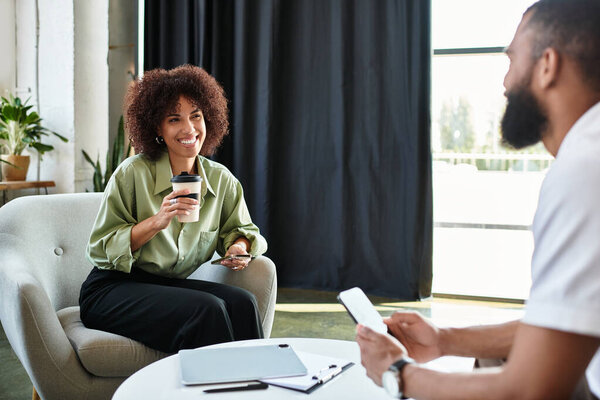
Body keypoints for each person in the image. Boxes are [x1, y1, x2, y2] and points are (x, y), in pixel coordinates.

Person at [356, 0, 600, 398]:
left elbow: (531, 390)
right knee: (492, 359)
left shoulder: (585, 169)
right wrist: (444, 339)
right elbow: (564, 323)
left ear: (547, 65)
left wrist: (397, 373)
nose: (504, 83)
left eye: (511, 59)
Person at [79, 65, 268, 354]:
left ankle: (256, 386)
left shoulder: (221, 180)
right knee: (207, 310)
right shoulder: (132, 174)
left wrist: (238, 249)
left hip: (166, 288)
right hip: (111, 290)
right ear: (157, 127)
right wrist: (157, 221)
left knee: (242, 303)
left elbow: (240, 231)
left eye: (196, 116)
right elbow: (100, 250)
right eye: (174, 119)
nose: (189, 129)